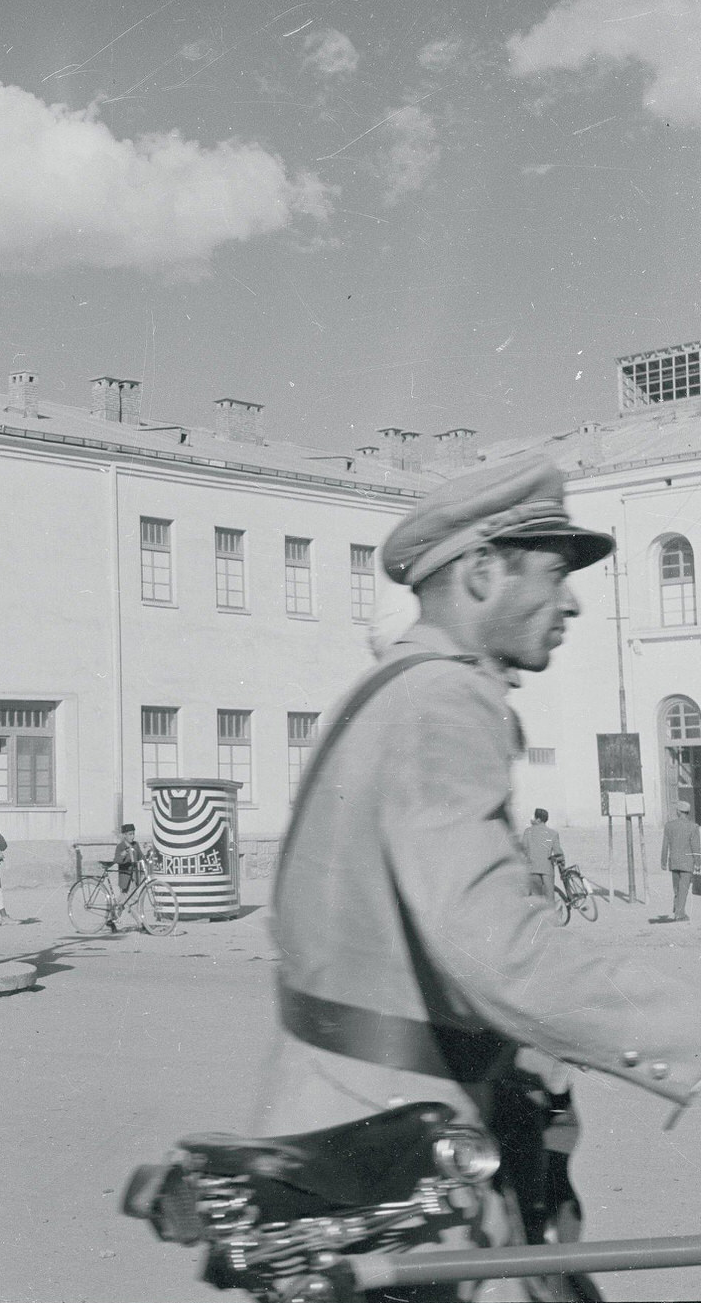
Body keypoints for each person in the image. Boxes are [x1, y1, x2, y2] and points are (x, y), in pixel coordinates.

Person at [254, 455, 701, 1301]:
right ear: (482, 570)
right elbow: (500, 953)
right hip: (394, 1148)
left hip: (338, 1118)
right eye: (556, 573)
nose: (571, 601)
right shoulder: (446, 703)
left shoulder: (382, 692)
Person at [653, 800, 701, 924]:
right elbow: (696, 847)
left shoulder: (669, 826)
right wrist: (698, 863)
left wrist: (663, 861)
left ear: (678, 812)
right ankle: (680, 914)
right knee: (684, 889)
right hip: (687, 862)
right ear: (688, 812)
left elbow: (665, 845)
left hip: (674, 862)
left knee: (677, 888)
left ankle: (678, 909)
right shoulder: (693, 827)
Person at [519, 807, 564, 899]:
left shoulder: (528, 831)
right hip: (547, 870)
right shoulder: (553, 833)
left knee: (537, 900)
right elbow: (558, 854)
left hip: (533, 869)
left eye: (534, 817)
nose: (532, 819)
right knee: (550, 899)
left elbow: (523, 850)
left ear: (538, 820)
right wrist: (562, 866)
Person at [112, 823, 143, 897]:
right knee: (127, 899)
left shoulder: (136, 845)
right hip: (125, 879)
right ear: (124, 835)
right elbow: (116, 860)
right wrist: (122, 855)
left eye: (133, 834)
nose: (133, 836)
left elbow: (141, 857)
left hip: (134, 878)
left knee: (131, 899)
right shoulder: (120, 847)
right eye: (130, 834)